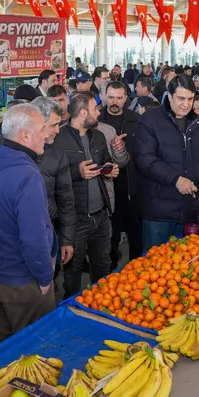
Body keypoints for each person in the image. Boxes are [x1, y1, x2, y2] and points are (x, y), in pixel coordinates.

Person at [0, 104, 56, 349]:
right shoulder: (26, 174)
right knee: (36, 347)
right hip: (21, 278)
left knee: (1, 342)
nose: (47, 135)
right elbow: (33, 236)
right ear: (25, 135)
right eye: (42, 129)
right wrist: (44, 277)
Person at [135, 75, 199, 251]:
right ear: (169, 96)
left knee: (183, 262)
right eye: (181, 98)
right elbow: (145, 159)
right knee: (155, 263)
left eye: (190, 99)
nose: (186, 104)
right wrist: (176, 179)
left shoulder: (198, 123)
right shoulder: (150, 120)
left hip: (189, 210)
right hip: (158, 212)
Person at [53, 92, 117, 298]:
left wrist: (109, 169)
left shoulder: (98, 136)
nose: (98, 112)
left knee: (103, 264)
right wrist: (77, 173)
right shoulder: (58, 139)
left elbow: (104, 162)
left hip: (101, 215)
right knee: (73, 270)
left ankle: (101, 302)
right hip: (76, 218)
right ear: (82, 113)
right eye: (95, 109)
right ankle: (71, 305)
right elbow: (51, 177)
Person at [99, 82, 143, 263]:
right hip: (105, 183)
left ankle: (137, 264)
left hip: (131, 182)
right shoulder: (96, 120)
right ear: (103, 97)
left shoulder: (136, 120)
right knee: (110, 230)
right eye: (111, 97)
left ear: (126, 98)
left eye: (119, 98)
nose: (114, 102)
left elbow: (144, 151)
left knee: (134, 229)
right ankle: (111, 265)